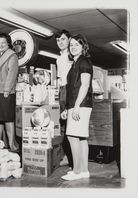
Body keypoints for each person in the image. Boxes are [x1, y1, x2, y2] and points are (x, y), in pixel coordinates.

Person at [61, 34, 93, 180]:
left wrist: (76, 106)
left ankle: (77, 172)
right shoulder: (76, 62)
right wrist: (68, 108)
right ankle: (84, 171)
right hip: (78, 104)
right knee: (81, 138)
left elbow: (85, 85)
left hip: (80, 104)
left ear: (83, 46)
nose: (73, 47)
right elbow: (74, 87)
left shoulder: (84, 61)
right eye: (71, 44)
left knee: (72, 136)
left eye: (77, 44)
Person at [54, 30, 73, 167]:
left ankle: (72, 159)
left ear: (69, 40)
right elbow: (61, 78)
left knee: (70, 126)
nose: (60, 42)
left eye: (63, 39)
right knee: (64, 125)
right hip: (62, 90)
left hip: (69, 90)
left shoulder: (70, 56)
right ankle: (68, 156)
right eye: (58, 40)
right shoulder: (59, 58)